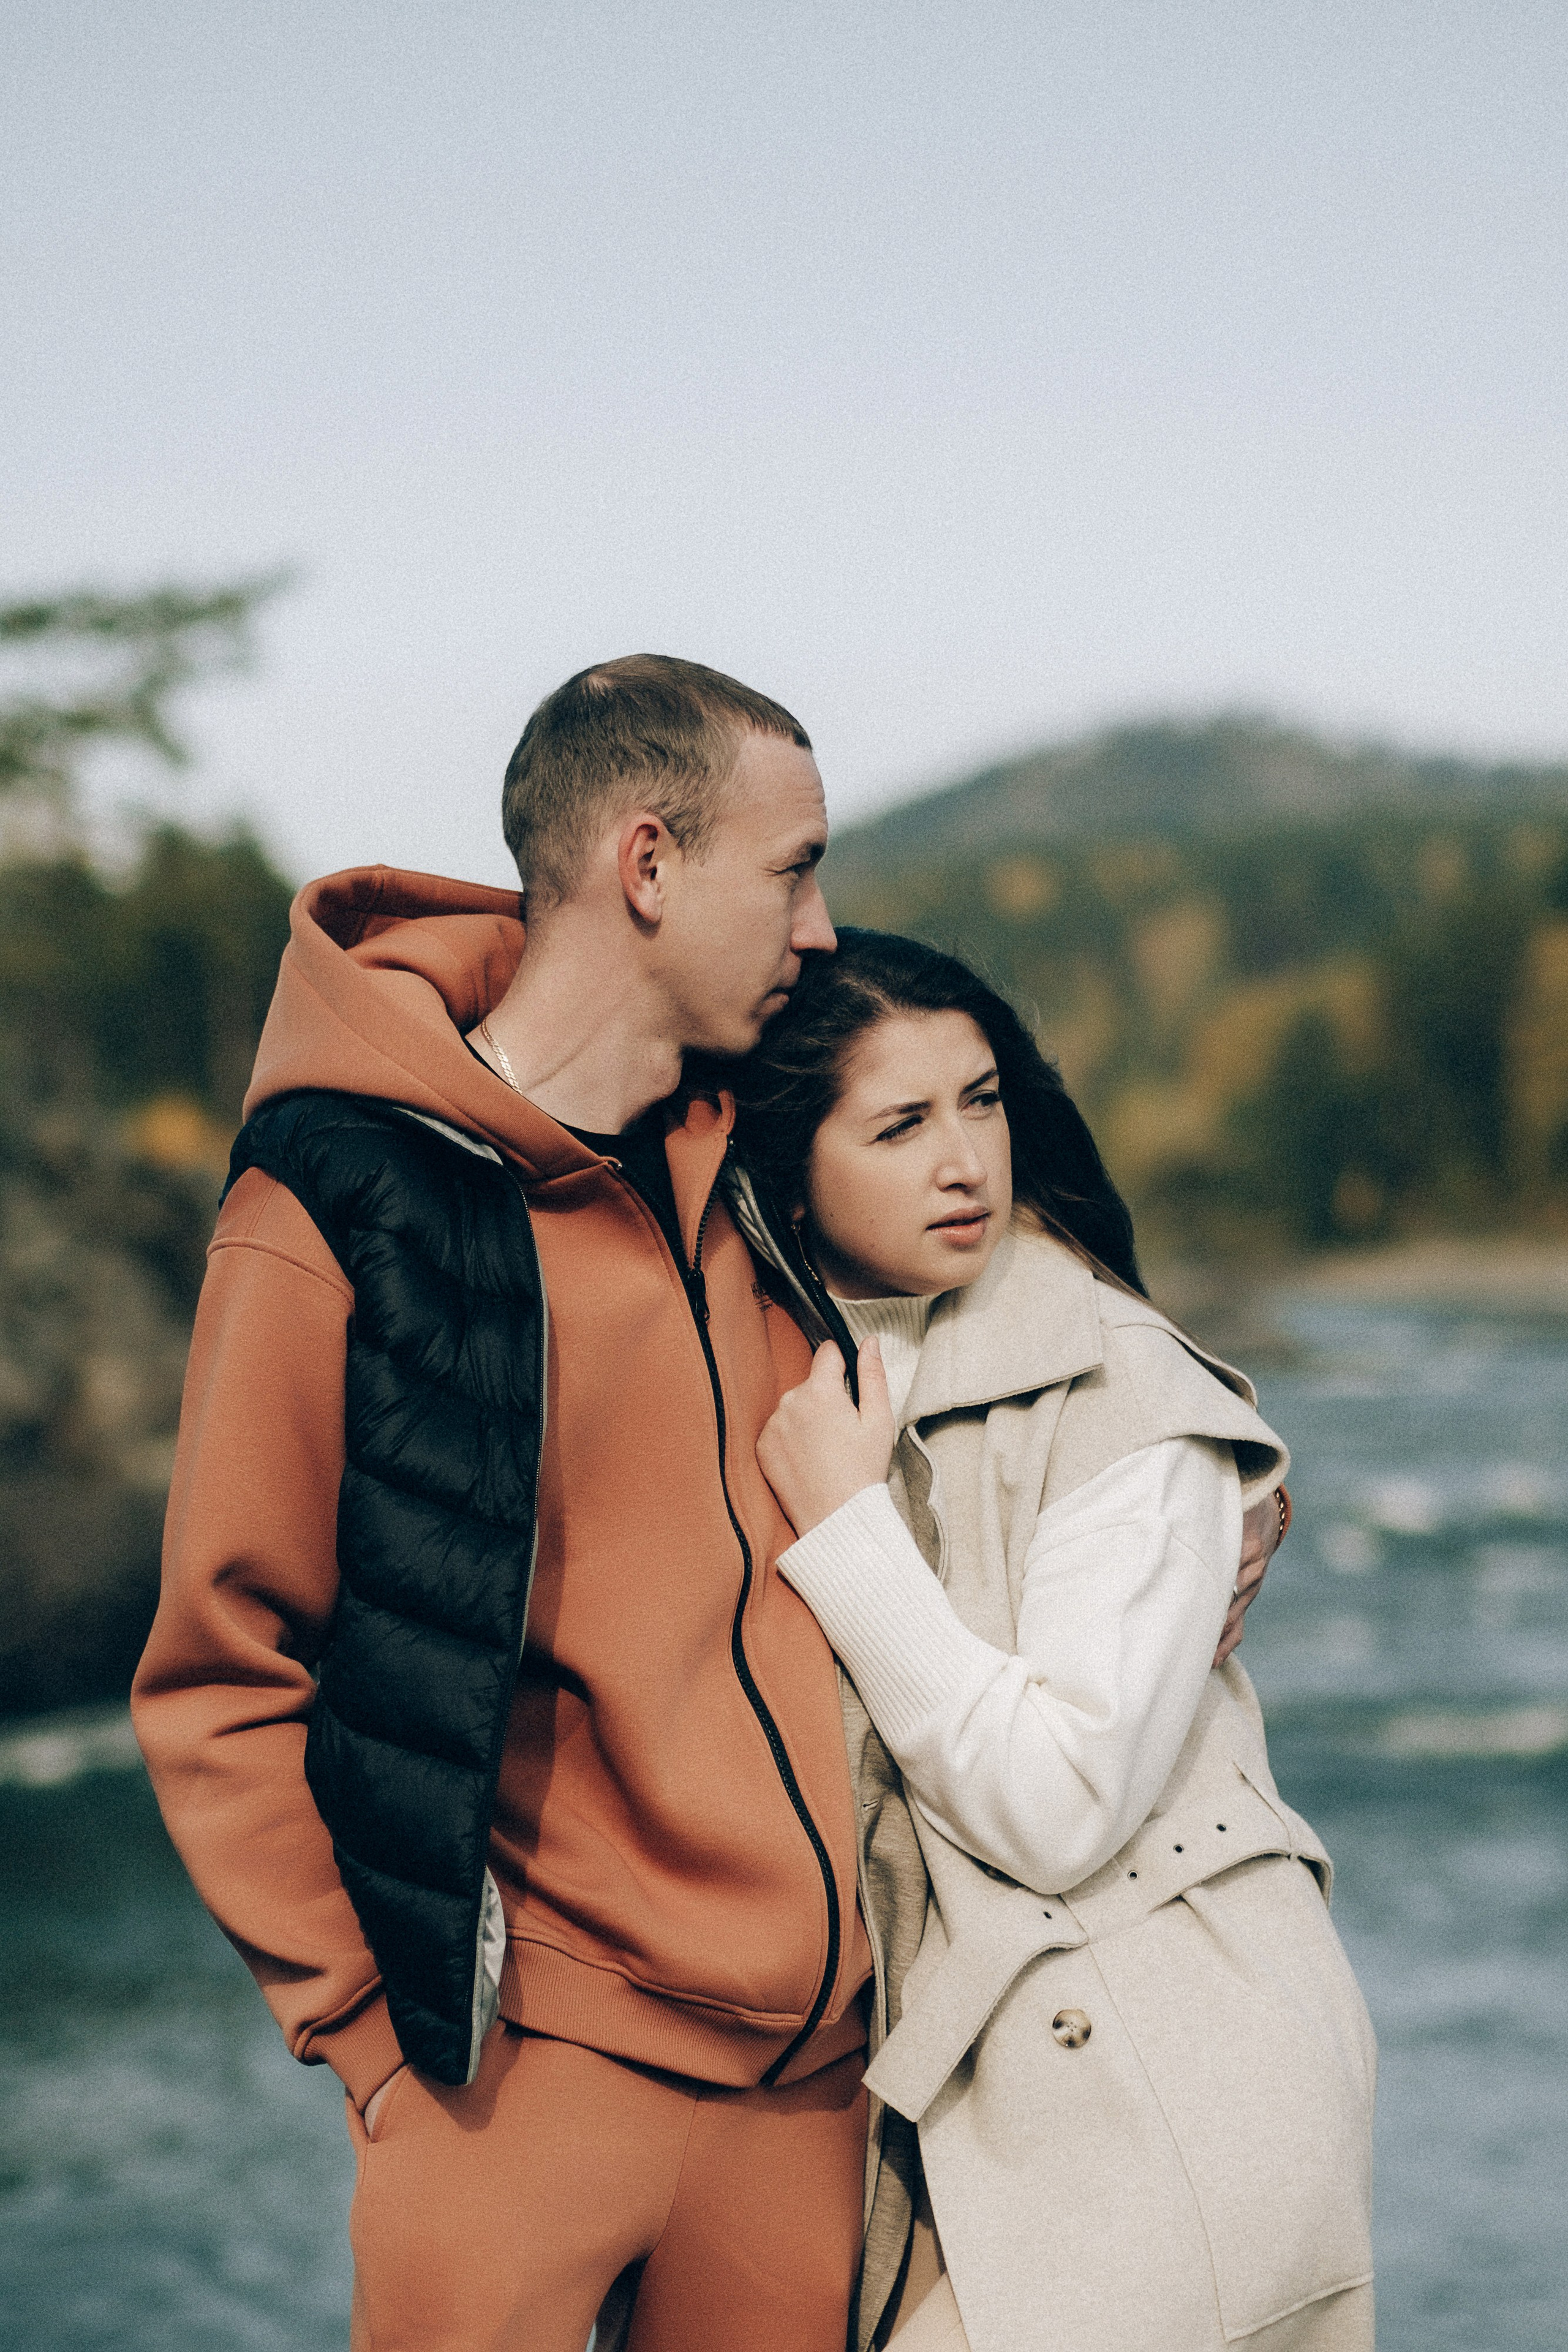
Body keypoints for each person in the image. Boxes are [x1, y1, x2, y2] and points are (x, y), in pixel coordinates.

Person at [132, 659, 1281, 2352]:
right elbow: (224, 1670)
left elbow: (977, 1240)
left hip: (814, 2094)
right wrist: (374, 2046)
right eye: (794, 868)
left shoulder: (753, 1161)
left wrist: (1180, 1458)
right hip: (520, 2095)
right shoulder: (339, 1198)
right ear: (649, 865)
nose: (820, 926)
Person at [729, 928, 1376, 2352]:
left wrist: (846, 1536)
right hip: (982, 2109)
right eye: (899, 1124)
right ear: (786, 1163)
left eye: (980, 1100)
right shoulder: (804, 1379)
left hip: (1169, 2084)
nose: (963, 1158)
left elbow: (1057, 1800)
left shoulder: (1117, 1387)